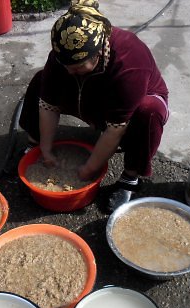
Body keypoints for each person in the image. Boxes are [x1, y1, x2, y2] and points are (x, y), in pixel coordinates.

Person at [19, 0, 169, 212]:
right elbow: (48, 104)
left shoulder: (130, 61)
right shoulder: (62, 55)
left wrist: (88, 169)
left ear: (98, 52)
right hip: (91, 95)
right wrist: (46, 149)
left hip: (128, 106)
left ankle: (130, 179)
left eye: (79, 66)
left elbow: (116, 128)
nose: (70, 71)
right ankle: (33, 145)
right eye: (66, 66)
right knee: (41, 80)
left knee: (148, 111)